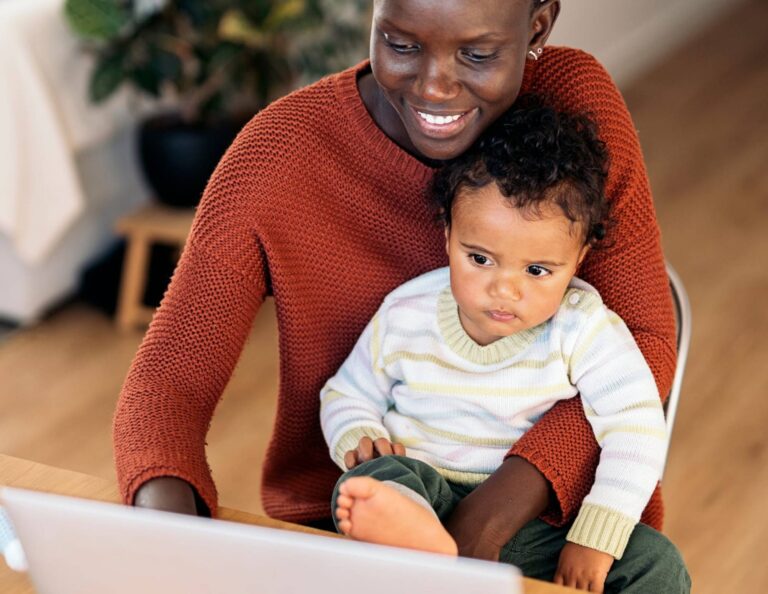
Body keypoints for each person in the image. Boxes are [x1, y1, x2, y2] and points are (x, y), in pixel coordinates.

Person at [113, 0, 687, 590]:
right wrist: (168, 544)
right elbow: (167, 384)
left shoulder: (574, 103)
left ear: (538, 24)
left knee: (656, 571)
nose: (435, 87)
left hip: (550, 522)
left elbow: (643, 343)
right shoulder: (279, 155)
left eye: (478, 54)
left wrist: (481, 525)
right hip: (362, 525)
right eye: (401, 44)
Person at [321, 101, 681, 592]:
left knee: (656, 562)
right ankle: (424, 549)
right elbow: (345, 394)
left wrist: (597, 536)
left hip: (537, 529)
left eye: (536, 271)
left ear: (578, 259)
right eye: (480, 258)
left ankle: (435, 568)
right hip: (422, 496)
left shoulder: (583, 328)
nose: (505, 290)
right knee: (369, 482)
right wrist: (358, 436)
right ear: (447, 234)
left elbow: (636, 428)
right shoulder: (407, 312)